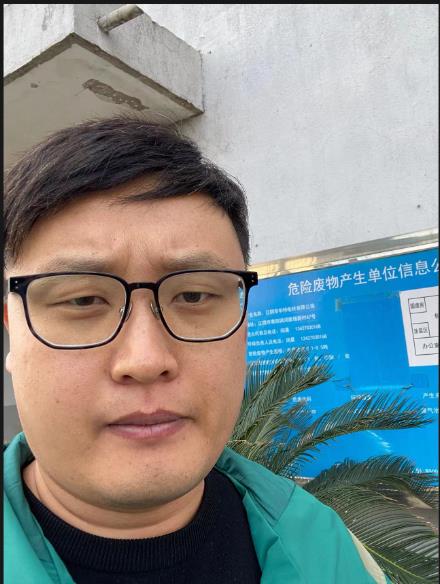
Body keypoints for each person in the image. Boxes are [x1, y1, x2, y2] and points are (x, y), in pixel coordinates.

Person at [4, 116, 389, 583]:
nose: (146, 360)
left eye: (193, 295)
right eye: (83, 300)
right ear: (11, 330)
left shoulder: (329, 550)